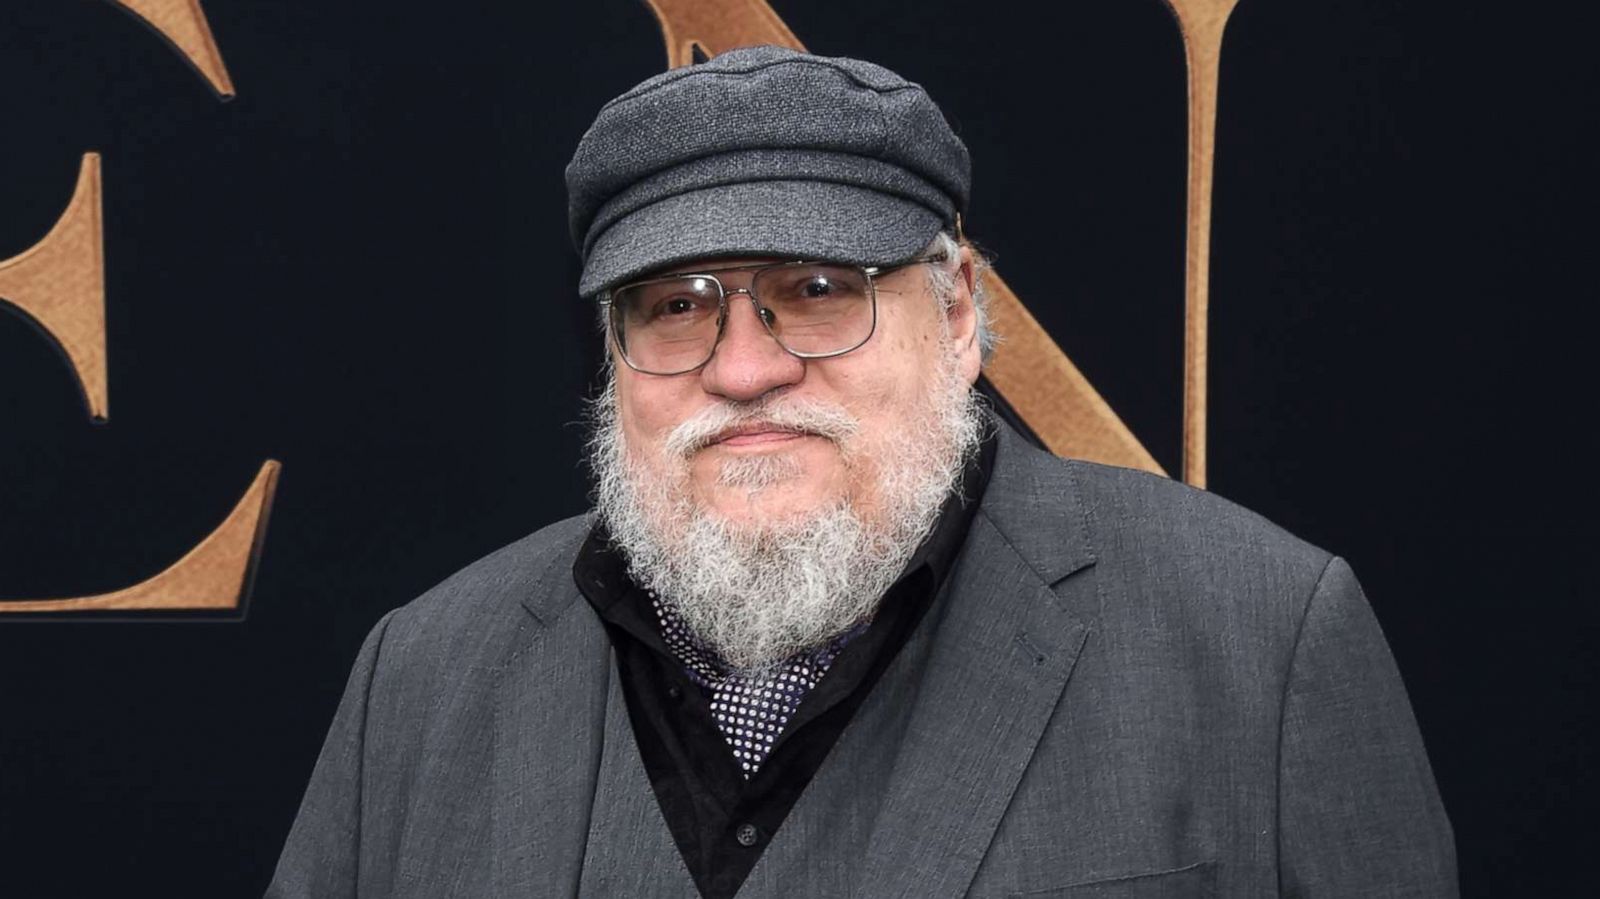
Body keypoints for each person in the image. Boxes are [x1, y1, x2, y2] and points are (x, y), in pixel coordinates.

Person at [268, 46, 1455, 898]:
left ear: (955, 312)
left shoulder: (1259, 640)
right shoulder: (420, 678)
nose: (741, 367)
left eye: (817, 291)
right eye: (675, 306)